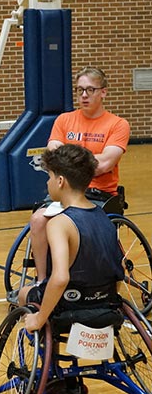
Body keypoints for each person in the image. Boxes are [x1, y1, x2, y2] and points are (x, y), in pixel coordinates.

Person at [21, 144, 125, 394]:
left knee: (25, 295)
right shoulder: (105, 218)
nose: (47, 183)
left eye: (48, 177)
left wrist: (39, 318)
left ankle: (52, 373)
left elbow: (60, 278)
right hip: (107, 306)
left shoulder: (59, 222)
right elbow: (120, 271)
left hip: (71, 306)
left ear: (60, 180)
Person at [29, 66, 130, 281]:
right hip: (65, 193)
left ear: (103, 92)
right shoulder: (64, 120)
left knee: (75, 225)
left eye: (90, 90)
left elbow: (105, 165)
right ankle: (42, 280)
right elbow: (52, 156)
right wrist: (89, 159)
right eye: (79, 90)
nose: (84, 95)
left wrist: (68, 160)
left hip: (99, 194)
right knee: (38, 220)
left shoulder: (118, 125)